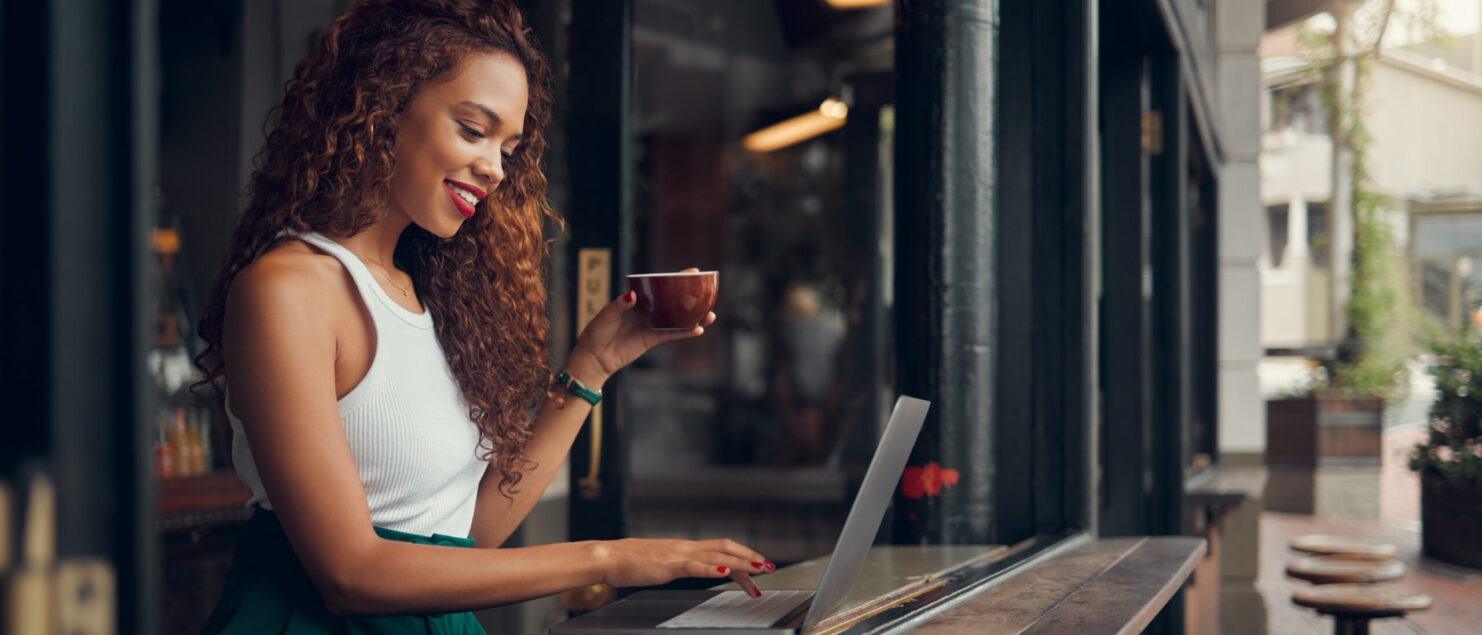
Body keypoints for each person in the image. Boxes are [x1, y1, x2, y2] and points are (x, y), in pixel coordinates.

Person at [193, 1, 771, 632]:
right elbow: (351, 575)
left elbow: (466, 533)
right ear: (383, 110)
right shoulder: (289, 290)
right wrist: (611, 557)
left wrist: (592, 365)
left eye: (510, 147)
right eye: (473, 130)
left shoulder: (422, 295)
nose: (496, 168)